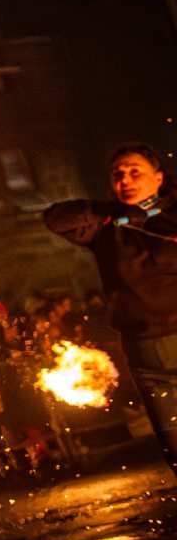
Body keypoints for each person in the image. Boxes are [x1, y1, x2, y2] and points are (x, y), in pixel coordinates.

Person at [45, 140, 177, 471]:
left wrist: (154, 211)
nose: (127, 180)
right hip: (145, 352)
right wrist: (118, 212)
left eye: (136, 172)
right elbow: (55, 219)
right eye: (119, 174)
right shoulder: (105, 228)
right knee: (174, 443)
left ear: (158, 178)